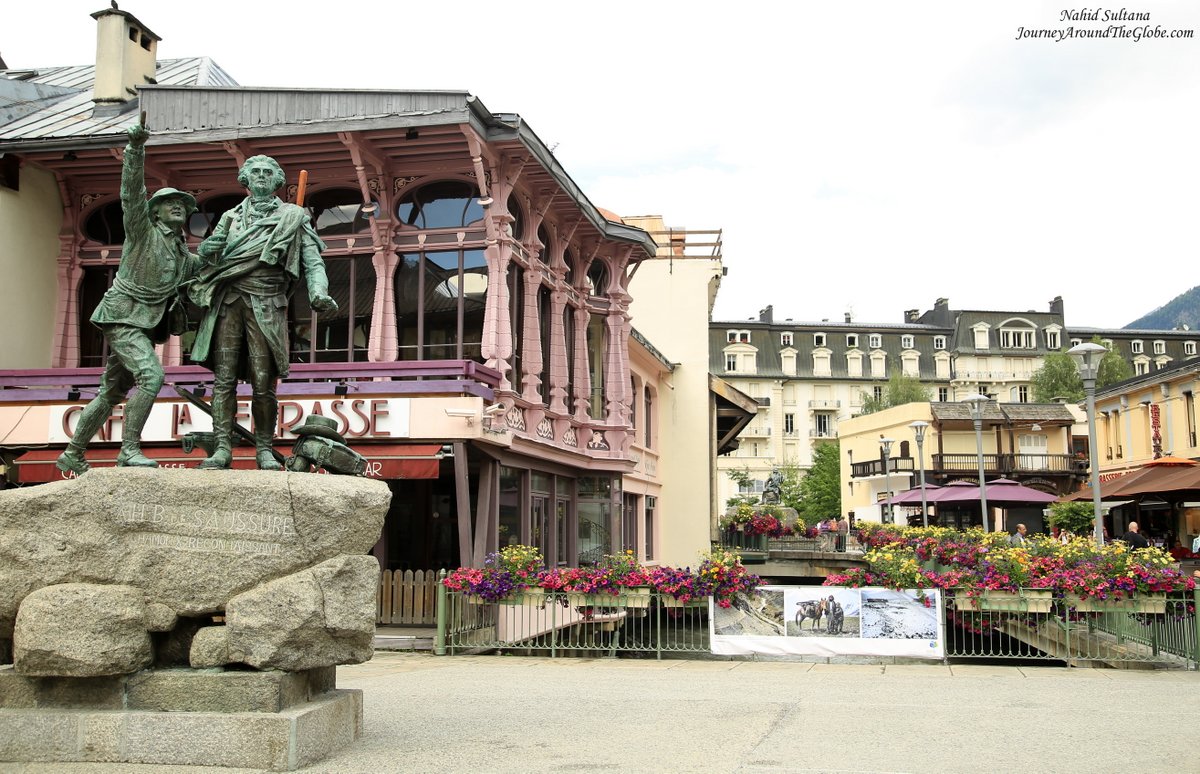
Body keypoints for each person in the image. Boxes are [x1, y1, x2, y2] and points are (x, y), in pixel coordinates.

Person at [56, 122, 198, 475]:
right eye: (169, 203)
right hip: (122, 316)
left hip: (144, 326)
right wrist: (134, 150)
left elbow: (210, 265)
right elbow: (132, 192)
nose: (177, 207)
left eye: (182, 204)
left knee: (111, 391)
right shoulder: (142, 231)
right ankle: (129, 450)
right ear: (155, 211)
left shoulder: (183, 254)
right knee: (151, 376)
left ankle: (72, 453)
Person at [188, 155, 337, 469]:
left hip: (268, 303)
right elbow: (210, 261)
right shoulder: (230, 217)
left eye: (267, 172)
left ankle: (264, 450)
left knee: (263, 381)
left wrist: (318, 292)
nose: (260, 175)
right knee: (224, 380)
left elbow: (313, 262)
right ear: (245, 178)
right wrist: (207, 252)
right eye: (254, 171)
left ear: (277, 180)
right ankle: (222, 448)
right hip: (228, 302)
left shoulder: (292, 217)